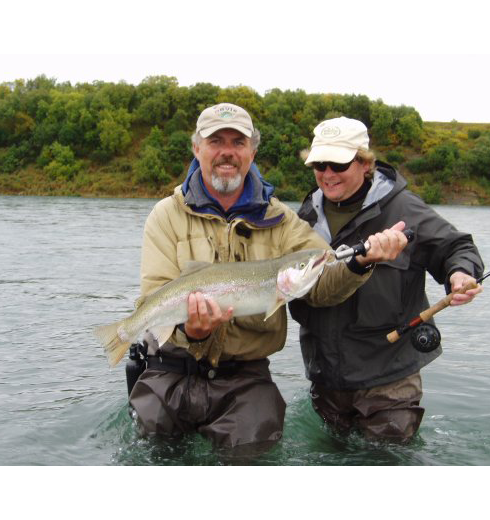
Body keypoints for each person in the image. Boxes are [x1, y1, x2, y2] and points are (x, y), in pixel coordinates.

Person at [127, 104, 408, 453]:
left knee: (253, 449)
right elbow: (156, 292)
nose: (227, 151)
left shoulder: (284, 220)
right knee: (153, 450)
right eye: (216, 141)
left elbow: (323, 281)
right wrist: (190, 330)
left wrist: (359, 263)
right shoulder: (165, 215)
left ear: (252, 152)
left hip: (245, 377)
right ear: (197, 149)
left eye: (238, 142)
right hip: (170, 367)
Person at [288, 116, 485, 443]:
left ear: (365, 163)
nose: (327, 174)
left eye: (338, 163)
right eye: (319, 164)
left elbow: (456, 246)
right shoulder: (304, 216)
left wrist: (461, 273)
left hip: (390, 379)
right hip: (325, 377)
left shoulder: (403, 206)